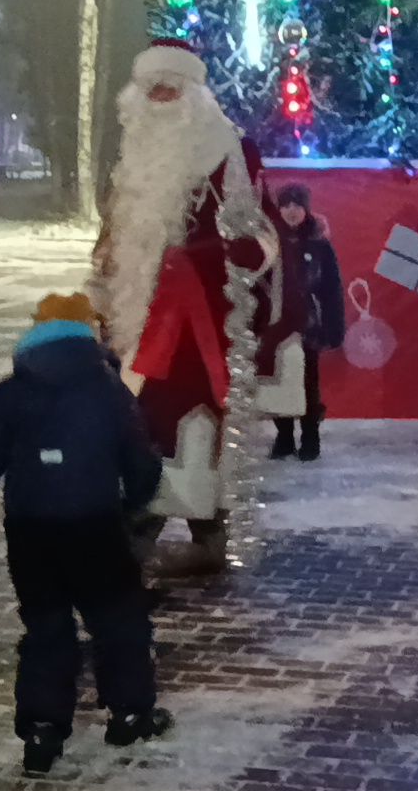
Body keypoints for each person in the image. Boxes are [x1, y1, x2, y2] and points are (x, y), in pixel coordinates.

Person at [0, 293, 169, 776]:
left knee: (46, 628)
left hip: (31, 532)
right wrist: (136, 500)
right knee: (118, 620)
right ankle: (130, 713)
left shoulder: (10, 393)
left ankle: (42, 730)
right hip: (96, 526)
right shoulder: (108, 391)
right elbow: (140, 460)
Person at [91, 39, 276, 577]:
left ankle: (188, 531)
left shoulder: (229, 151)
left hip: (202, 328)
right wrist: (100, 285)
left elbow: (259, 237)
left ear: (193, 91)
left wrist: (213, 261)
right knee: (136, 421)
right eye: (152, 87)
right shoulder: (134, 153)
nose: (160, 95)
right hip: (136, 319)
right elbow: (114, 234)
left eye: (171, 85)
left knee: (187, 423)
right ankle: (152, 529)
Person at [267, 184, 344, 462]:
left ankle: (310, 437)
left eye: (297, 205)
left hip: (306, 325)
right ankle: (284, 436)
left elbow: (331, 289)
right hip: (276, 325)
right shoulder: (269, 241)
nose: (291, 211)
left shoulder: (319, 243)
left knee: (308, 383)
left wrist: (333, 328)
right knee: (280, 379)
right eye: (286, 205)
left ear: (306, 209)